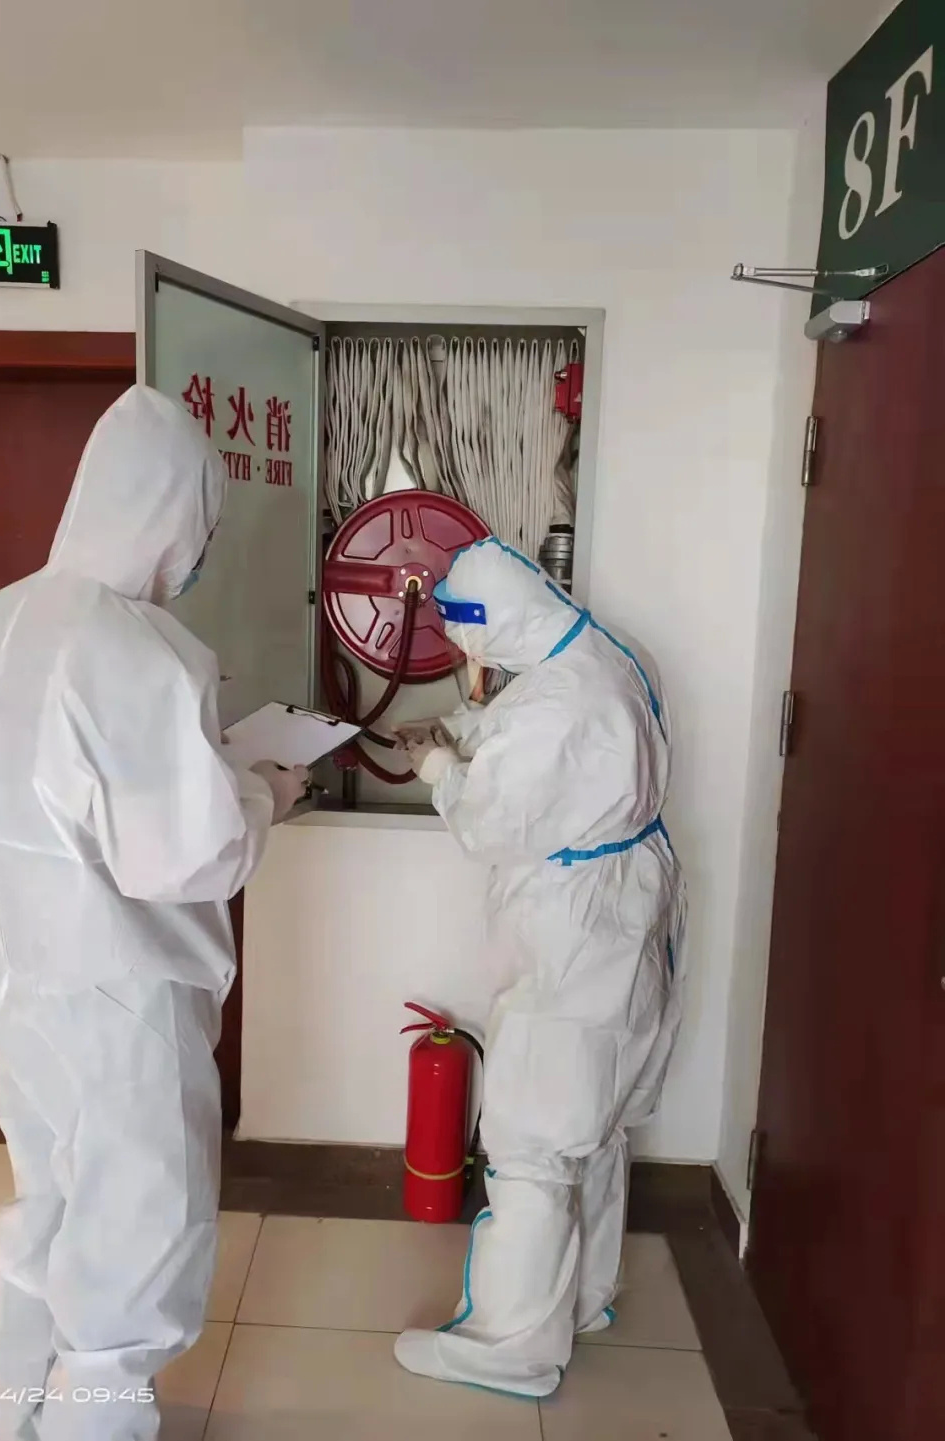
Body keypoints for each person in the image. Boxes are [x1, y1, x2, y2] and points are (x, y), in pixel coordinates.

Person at [0, 385, 307, 1441]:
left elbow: (65, 795)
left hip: (24, 982)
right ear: (173, 513)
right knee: (135, 1259)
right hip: (126, 998)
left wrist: (209, 772)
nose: (199, 553)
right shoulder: (138, 649)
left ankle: (20, 1420)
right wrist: (261, 793)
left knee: (47, 1219)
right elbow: (189, 855)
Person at [394, 538, 685, 1399]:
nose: (466, 651)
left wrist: (440, 769)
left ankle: (511, 1346)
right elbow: (542, 733)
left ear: (486, 623)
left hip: (576, 929)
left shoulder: (557, 704)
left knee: (534, 1134)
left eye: (464, 634)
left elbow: (491, 820)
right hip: (625, 909)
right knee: (592, 1118)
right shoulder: (604, 654)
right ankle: (581, 1298)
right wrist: (466, 729)